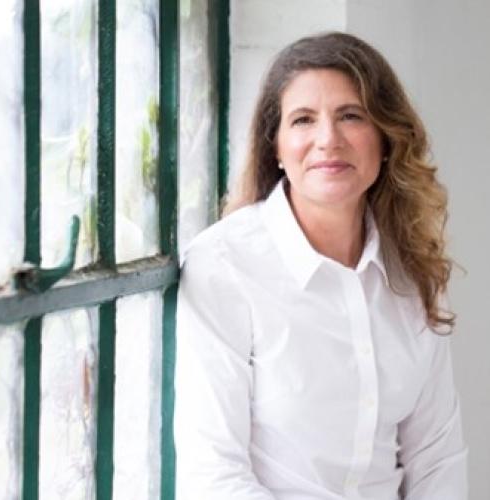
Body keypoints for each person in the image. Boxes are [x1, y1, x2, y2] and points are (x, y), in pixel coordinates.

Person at [173, 32, 468, 500]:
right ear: (275, 146)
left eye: (351, 116)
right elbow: (212, 475)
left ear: (386, 138)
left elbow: (436, 456)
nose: (328, 140)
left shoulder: (412, 269)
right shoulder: (223, 266)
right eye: (303, 120)